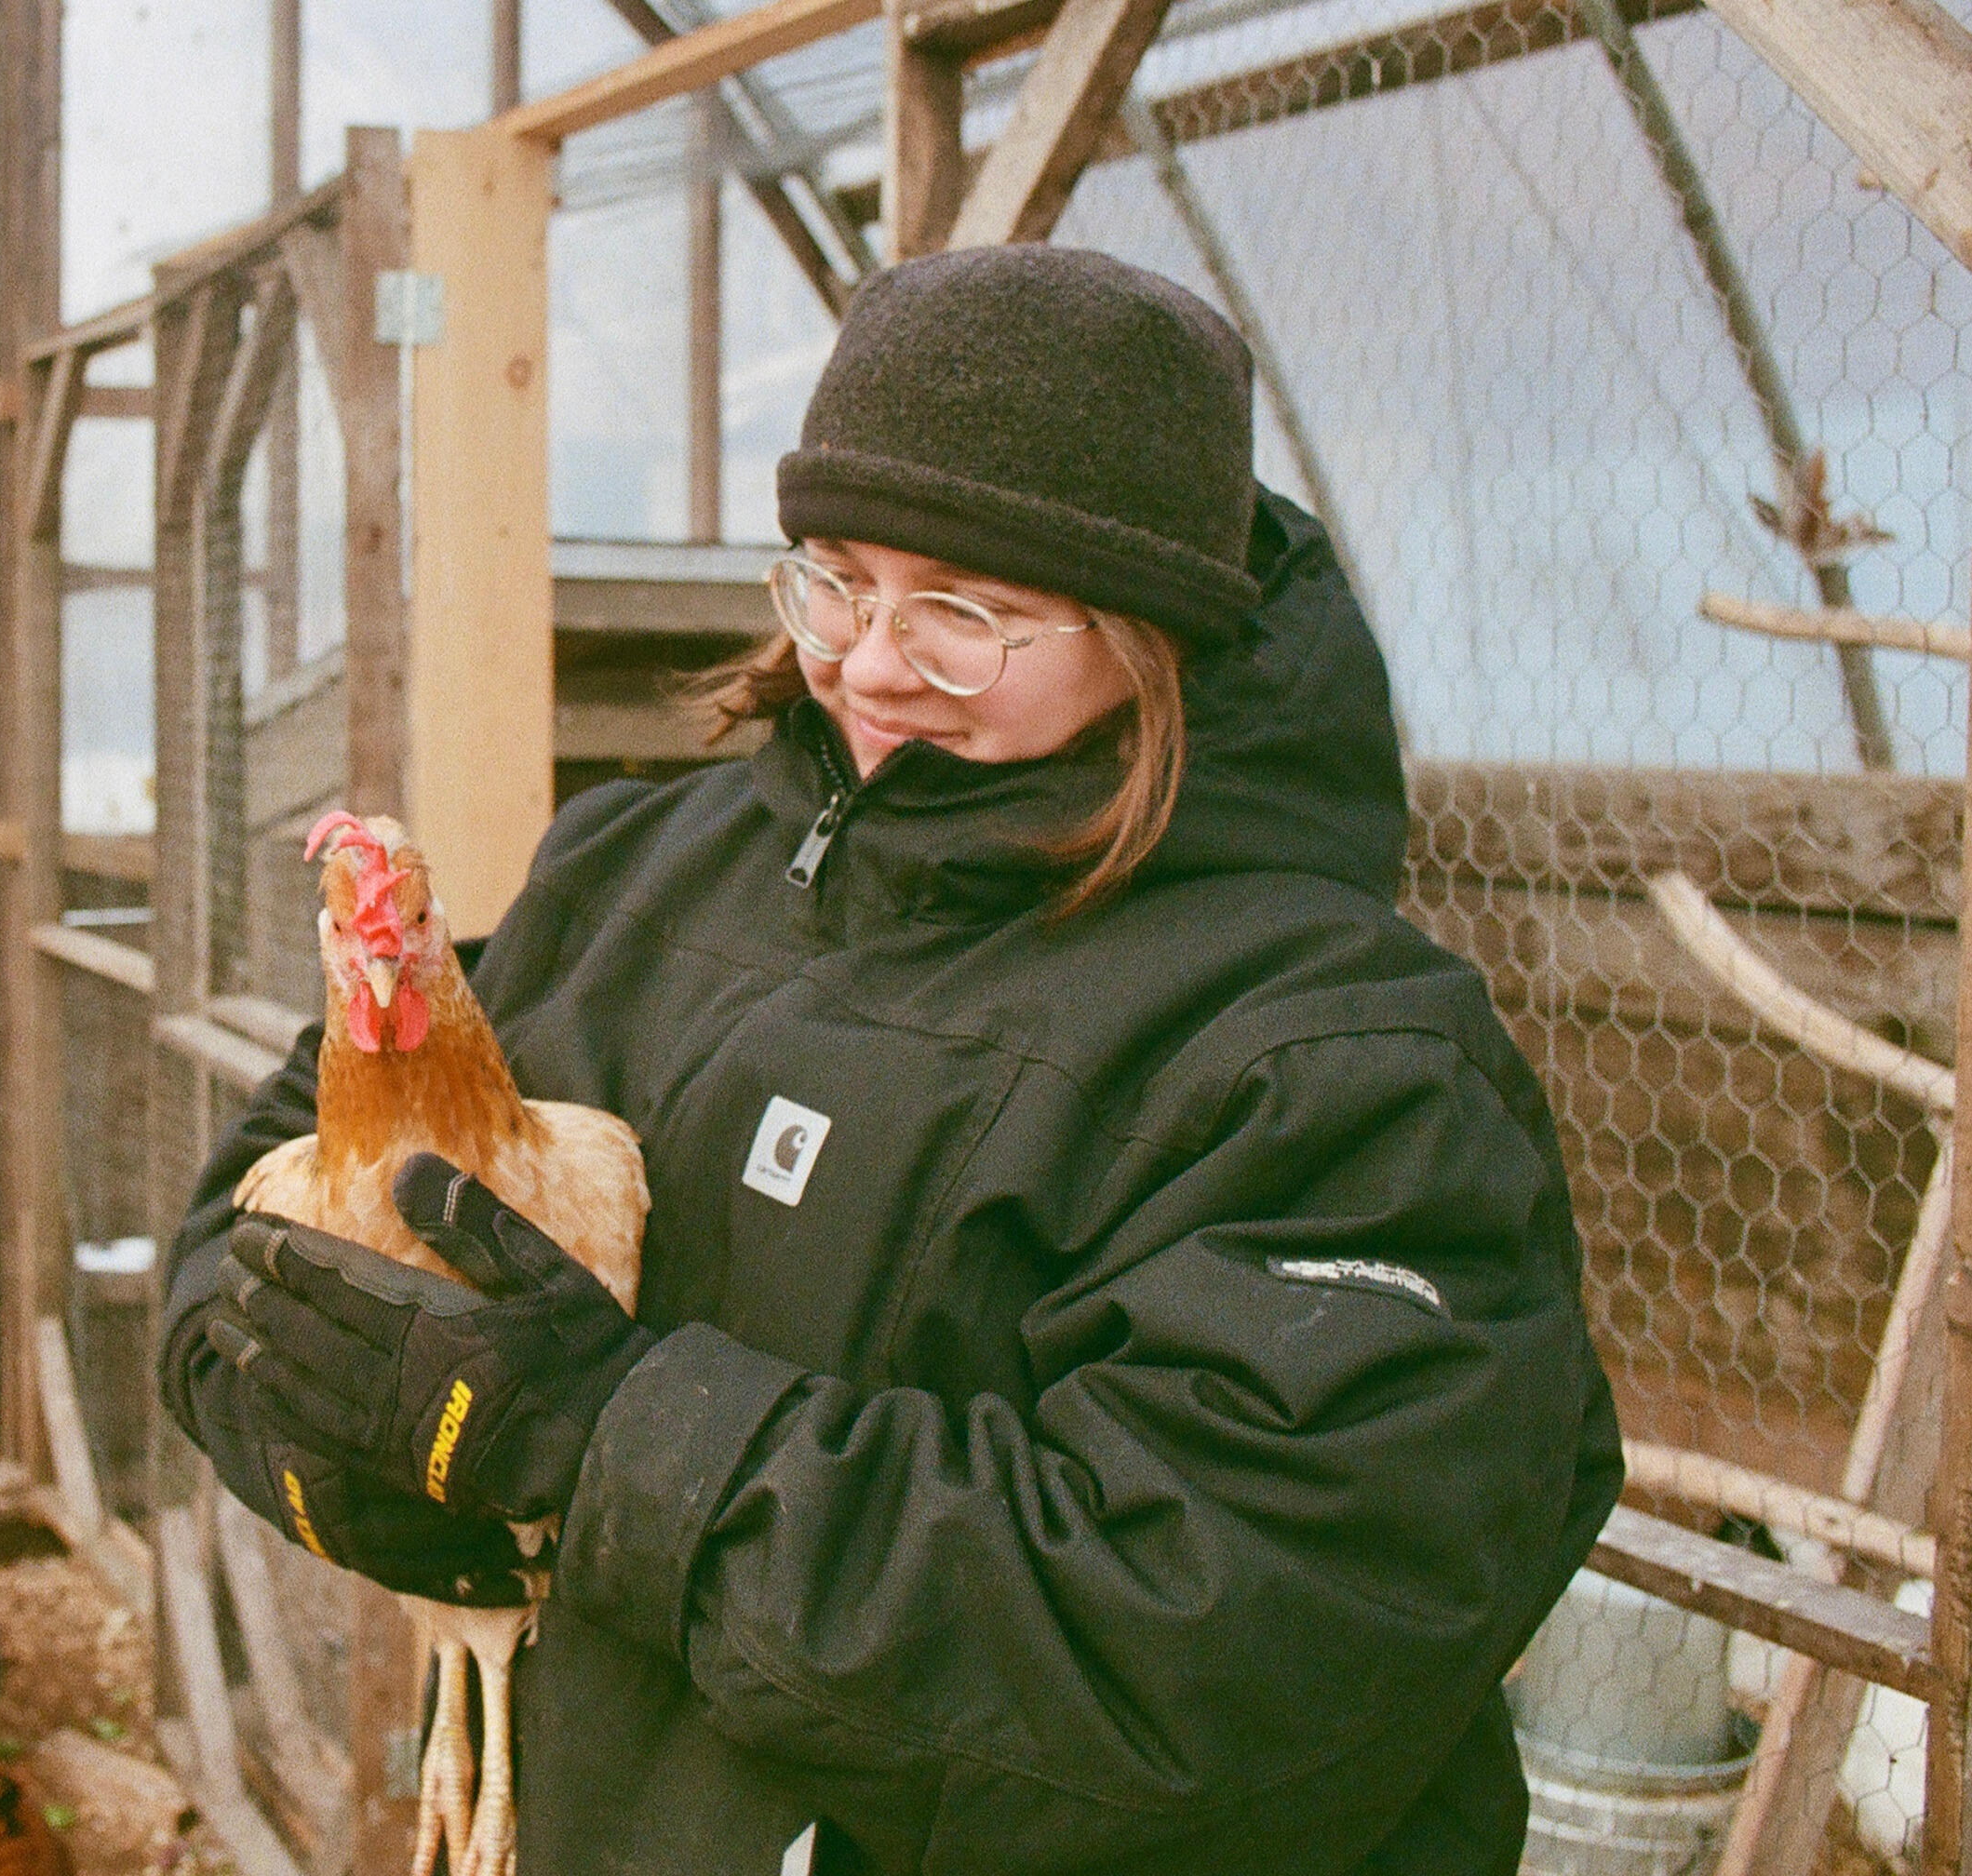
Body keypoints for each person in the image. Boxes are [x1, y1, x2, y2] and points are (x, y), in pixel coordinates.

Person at [158, 244, 1621, 1876]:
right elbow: (241, 1230)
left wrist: (603, 1447)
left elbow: (1233, 1655)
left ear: (1154, 631)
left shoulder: (1335, 1058)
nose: (866, 661)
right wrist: (374, 1465)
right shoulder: (635, 871)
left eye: (965, 613)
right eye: (838, 579)